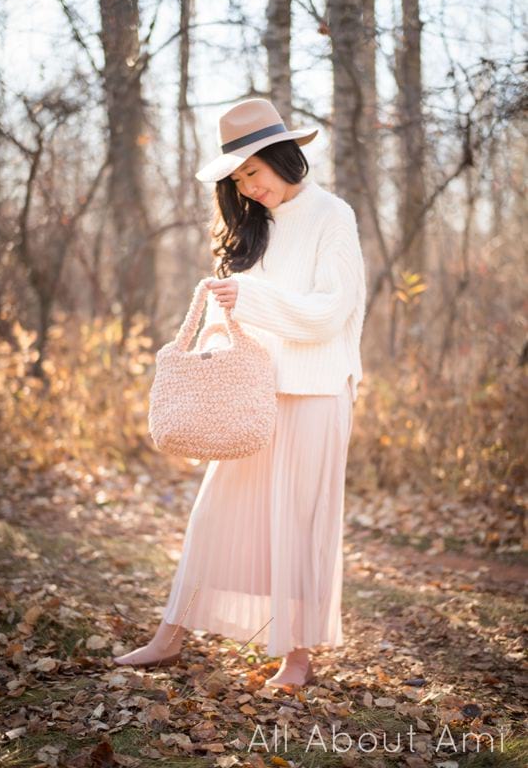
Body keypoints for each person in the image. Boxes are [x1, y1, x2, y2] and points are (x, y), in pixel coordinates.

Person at [113, 98, 367, 688]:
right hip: (252, 394)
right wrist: (216, 342)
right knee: (214, 513)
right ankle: (169, 635)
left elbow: (333, 309)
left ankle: (296, 656)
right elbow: (234, 318)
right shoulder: (252, 227)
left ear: (284, 156)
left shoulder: (333, 215)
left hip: (316, 391)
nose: (247, 188)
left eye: (253, 171)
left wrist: (249, 301)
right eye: (237, 179)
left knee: (300, 521)